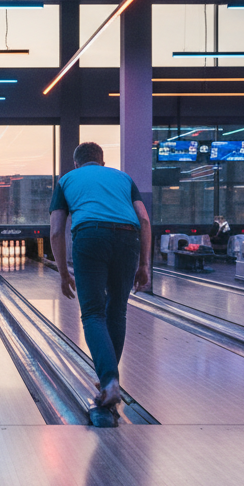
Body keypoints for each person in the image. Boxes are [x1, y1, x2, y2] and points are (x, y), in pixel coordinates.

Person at [49, 142, 151, 423]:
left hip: (90, 236)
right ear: (102, 163)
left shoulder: (67, 180)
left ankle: (109, 382)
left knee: (93, 313)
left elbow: (57, 232)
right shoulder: (123, 178)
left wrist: (62, 273)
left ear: (76, 164)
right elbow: (143, 219)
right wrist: (144, 263)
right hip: (128, 237)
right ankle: (109, 381)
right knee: (116, 311)